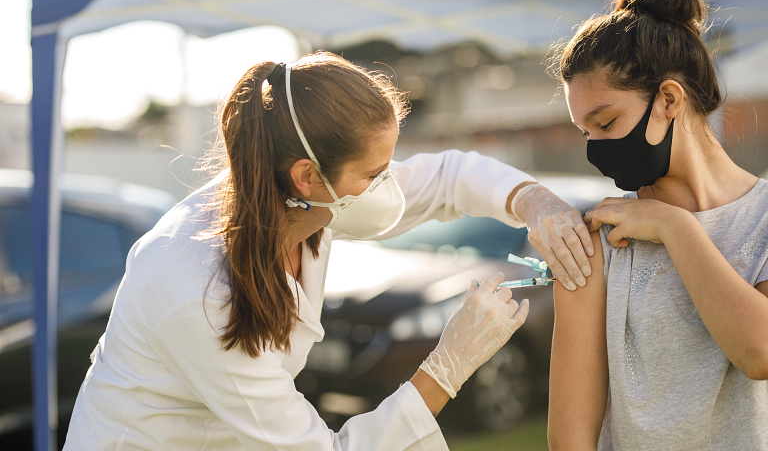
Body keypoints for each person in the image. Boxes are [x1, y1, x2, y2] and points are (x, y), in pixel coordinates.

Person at [63, 52, 591, 450]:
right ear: (309, 177)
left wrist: (535, 201)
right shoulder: (196, 287)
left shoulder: (297, 202)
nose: (390, 184)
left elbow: (449, 178)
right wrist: (447, 367)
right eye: (373, 173)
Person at [547, 0, 768, 451]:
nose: (597, 149)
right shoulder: (598, 242)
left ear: (669, 100)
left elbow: (760, 350)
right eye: (585, 133)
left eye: (605, 123)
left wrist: (673, 226)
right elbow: (570, 440)